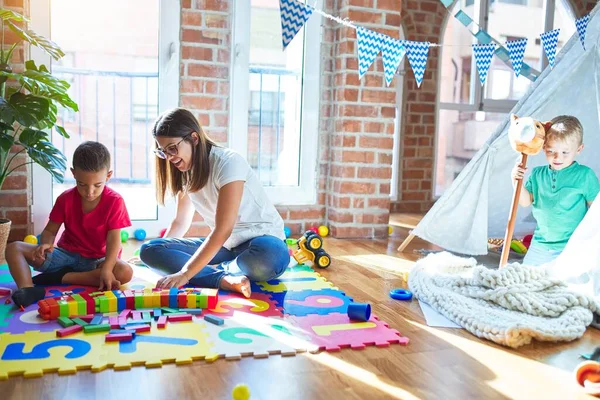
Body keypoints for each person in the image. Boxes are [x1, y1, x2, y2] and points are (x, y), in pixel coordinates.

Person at [139, 108, 289, 298]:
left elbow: (223, 229)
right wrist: (161, 248)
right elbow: (181, 222)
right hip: (227, 247)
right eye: (163, 152)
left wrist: (185, 273)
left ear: (194, 138)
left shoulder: (228, 163)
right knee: (149, 249)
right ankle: (224, 278)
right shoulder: (185, 172)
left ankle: (216, 271)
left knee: (270, 258)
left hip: (262, 242)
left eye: (172, 148)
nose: (168, 158)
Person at [6, 141, 134, 308]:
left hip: (97, 260)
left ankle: (61, 278)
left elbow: (113, 240)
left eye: (97, 185)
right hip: (66, 256)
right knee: (13, 248)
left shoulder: (115, 201)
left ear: (108, 176)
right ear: (73, 174)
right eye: (82, 184)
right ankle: (28, 288)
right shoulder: (65, 199)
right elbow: (50, 230)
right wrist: (45, 244)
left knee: (125, 272)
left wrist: (107, 269)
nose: (89, 192)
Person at [512, 115, 600, 266]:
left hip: (573, 246)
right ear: (544, 147)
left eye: (565, 152)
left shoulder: (585, 175)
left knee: (565, 285)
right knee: (526, 280)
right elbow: (525, 202)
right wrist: (516, 180)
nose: (557, 157)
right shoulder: (537, 174)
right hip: (541, 244)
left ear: (579, 149)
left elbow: (596, 211)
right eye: (551, 150)